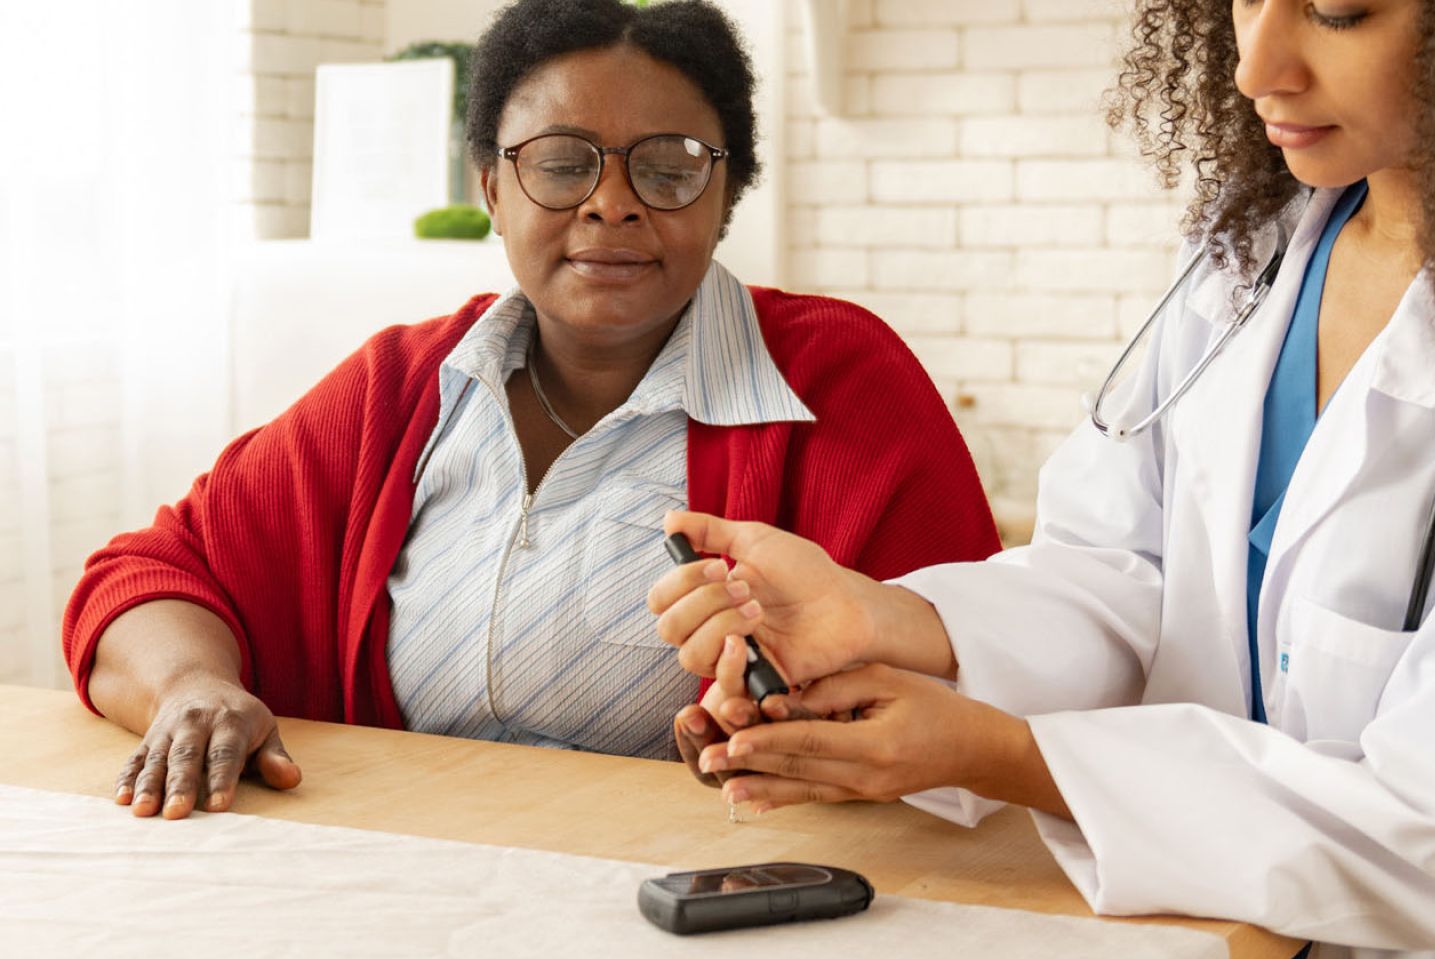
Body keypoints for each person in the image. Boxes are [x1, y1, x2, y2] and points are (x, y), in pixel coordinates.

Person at [649, 0, 1435, 959]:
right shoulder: (1246, 259)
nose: (1255, 66)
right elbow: (1118, 571)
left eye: (1336, 12)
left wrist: (1002, 755)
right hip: (1202, 951)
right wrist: (886, 618)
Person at [62, 0, 998, 822]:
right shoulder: (399, 385)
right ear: (491, 190)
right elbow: (147, 579)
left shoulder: (840, 381)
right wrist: (191, 686)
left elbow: (977, 679)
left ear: (727, 195)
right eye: (560, 165)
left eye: (669, 169)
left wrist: (792, 730)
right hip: (417, 871)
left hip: (704, 891)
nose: (612, 205)